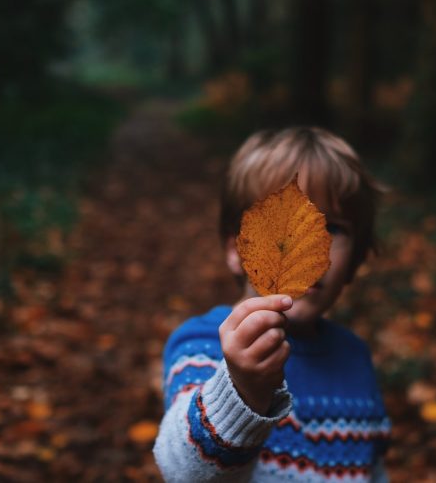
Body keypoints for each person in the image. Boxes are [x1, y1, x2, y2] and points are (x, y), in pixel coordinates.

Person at [154, 127, 391, 482]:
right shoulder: (205, 343)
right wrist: (243, 390)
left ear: (355, 262)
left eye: (333, 230)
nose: (306, 247)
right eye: (280, 228)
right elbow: (181, 468)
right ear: (237, 251)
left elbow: (372, 471)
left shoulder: (354, 356)